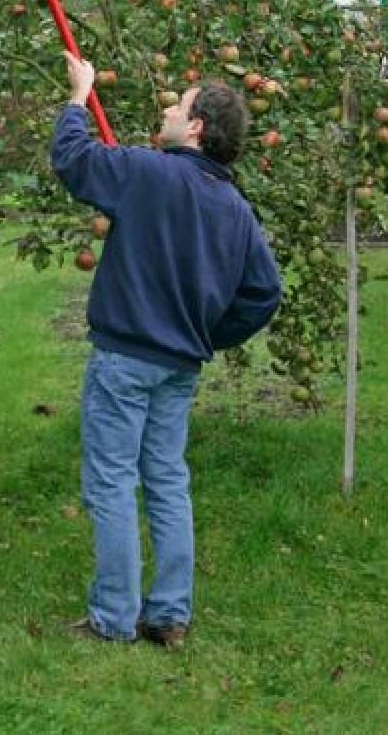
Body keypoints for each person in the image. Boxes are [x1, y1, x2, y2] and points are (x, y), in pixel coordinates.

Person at [52, 51, 283, 648]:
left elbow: (74, 161)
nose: (168, 109)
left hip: (125, 357)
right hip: (179, 365)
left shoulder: (148, 173)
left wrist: (78, 96)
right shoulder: (235, 210)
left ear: (197, 127)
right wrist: (207, 331)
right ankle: (169, 615)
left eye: (178, 106)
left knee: (110, 481)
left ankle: (112, 617)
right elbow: (263, 293)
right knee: (165, 480)